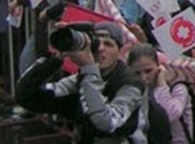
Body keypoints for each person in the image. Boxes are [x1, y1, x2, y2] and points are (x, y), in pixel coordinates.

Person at [15, 20, 147, 143]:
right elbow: (26, 96)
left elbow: (106, 123)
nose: (100, 49)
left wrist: (89, 68)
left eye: (108, 44)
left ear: (120, 51)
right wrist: (56, 58)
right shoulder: (79, 80)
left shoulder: (131, 83)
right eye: (95, 44)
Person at [128, 44, 193, 144]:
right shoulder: (135, 92)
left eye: (148, 71)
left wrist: (161, 85)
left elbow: (169, 115)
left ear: (159, 66)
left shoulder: (177, 87)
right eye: (137, 73)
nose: (143, 78)